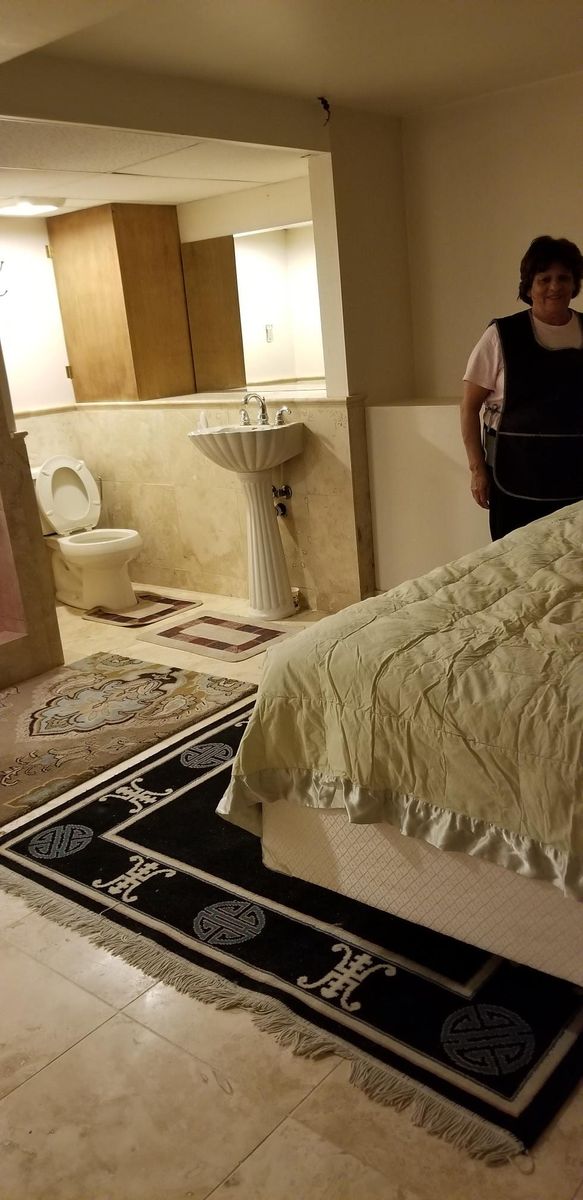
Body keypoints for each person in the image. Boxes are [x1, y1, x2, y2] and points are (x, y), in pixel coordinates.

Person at [460, 235, 583, 540]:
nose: (555, 287)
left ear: (574, 284)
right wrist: (477, 470)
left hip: (576, 479)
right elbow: (469, 408)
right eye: (544, 279)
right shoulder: (501, 335)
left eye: (563, 278)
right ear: (529, 287)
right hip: (514, 479)